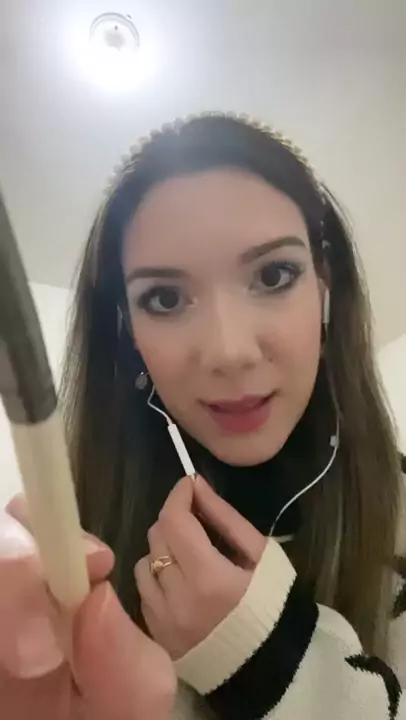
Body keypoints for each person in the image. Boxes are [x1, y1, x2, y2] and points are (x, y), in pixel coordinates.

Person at [1, 112, 405, 719]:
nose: (228, 351)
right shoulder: (72, 551)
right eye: (165, 298)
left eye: (274, 275)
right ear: (128, 334)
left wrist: (275, 664)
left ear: (324, 290)